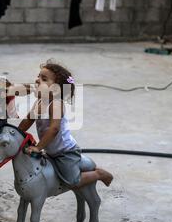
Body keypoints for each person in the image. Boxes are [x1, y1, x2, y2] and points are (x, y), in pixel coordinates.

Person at [18, 61, 114, 189]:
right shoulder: (40, 102)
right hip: (52, 151)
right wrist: (17, 133)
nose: (37, 80)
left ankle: (99, 174)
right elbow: (28, 120)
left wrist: (38, 147)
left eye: (44, 79)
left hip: (66, 152)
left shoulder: (56, 104)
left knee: (71, 181)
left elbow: (54, 129)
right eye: (38, 76)